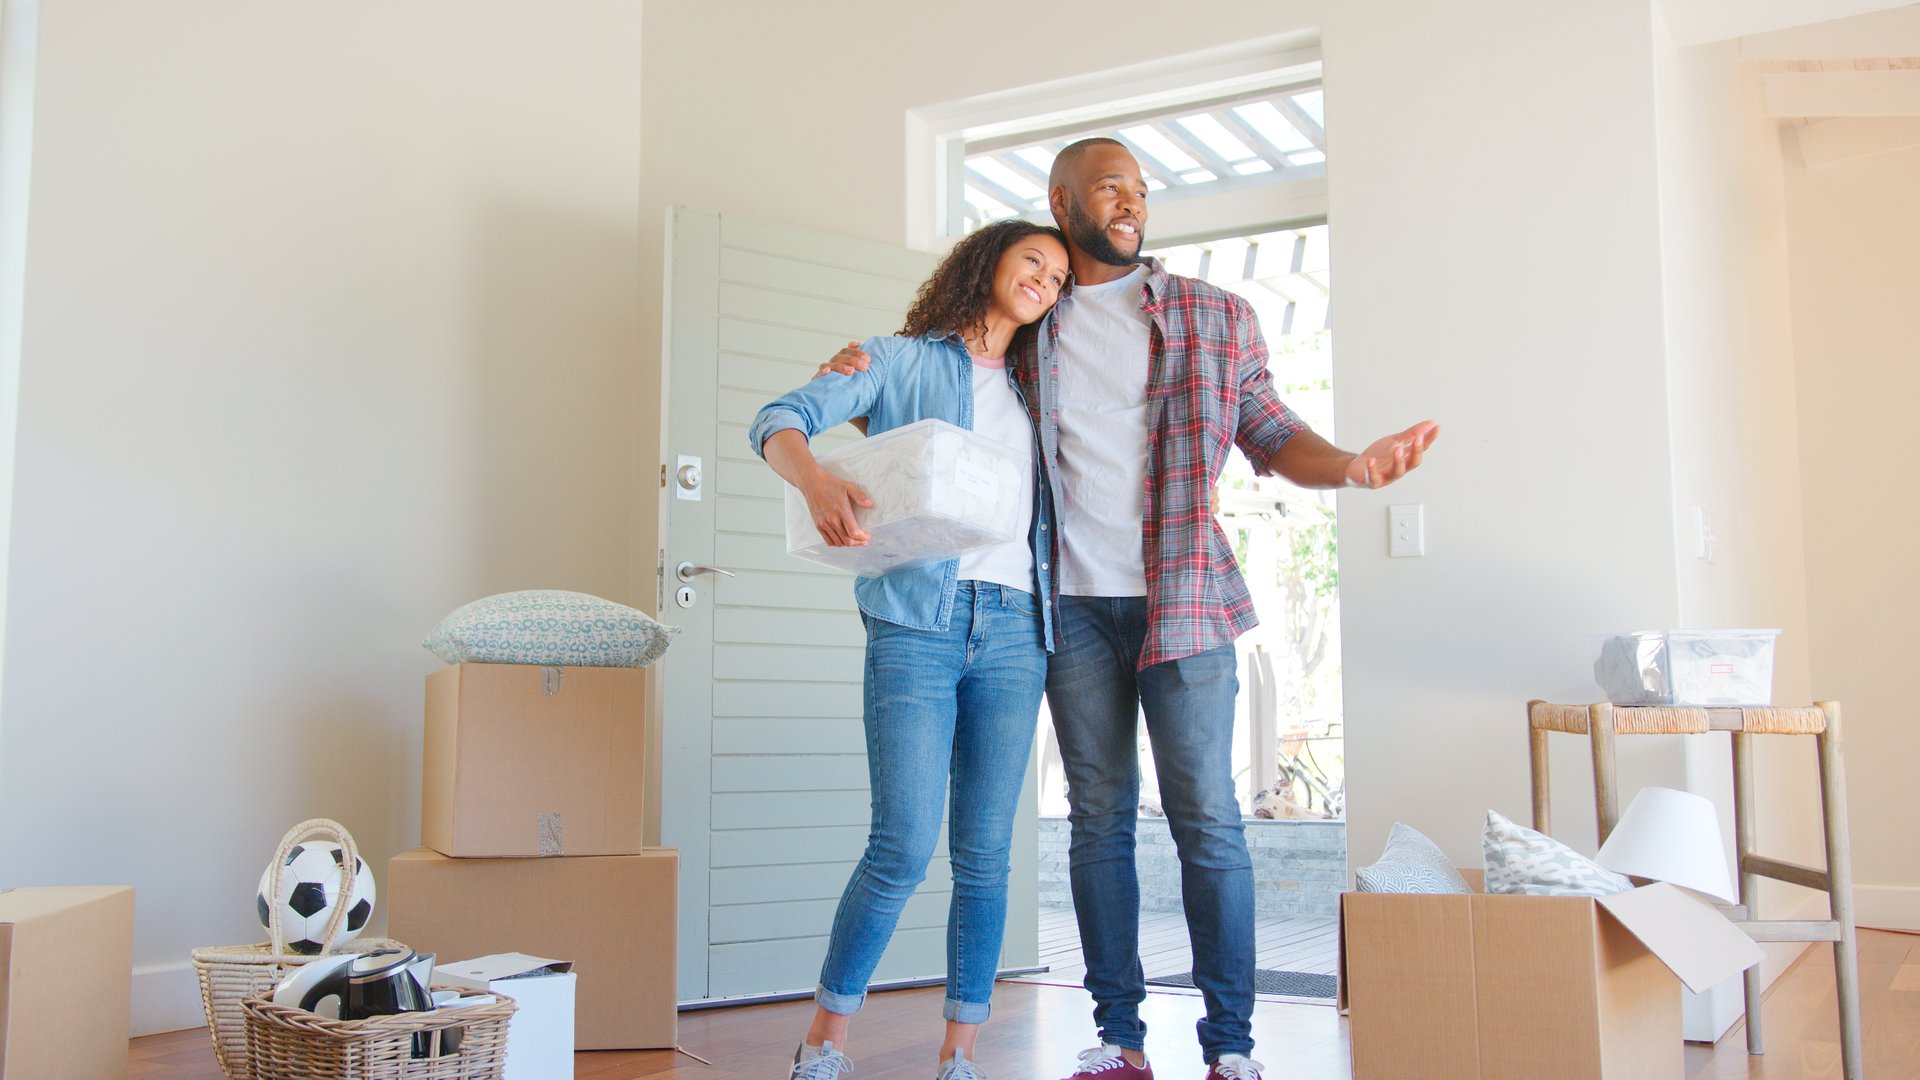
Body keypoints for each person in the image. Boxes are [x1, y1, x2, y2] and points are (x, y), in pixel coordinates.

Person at [815, 138, 1438, 1080]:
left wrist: (1350, 466)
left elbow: (1272, 434)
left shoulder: (1216, 314)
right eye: (1112, 187)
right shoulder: (1033, 323)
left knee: (1208, 822)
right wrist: (855, 383)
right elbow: (946, 404)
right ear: (1062, 202)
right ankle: (1119, 1038)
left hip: (1184, 601)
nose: (1132, 202)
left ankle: (1231, 1047)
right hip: (1066, 612)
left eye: (1142, 190)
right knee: (1098, 818)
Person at [749, 219, 1073, 1080]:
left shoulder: (1046, 389)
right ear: (989, 260)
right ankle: (823, 1043)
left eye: (1058, 274)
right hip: (914, 623)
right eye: (1031, 259)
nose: (1044, 278)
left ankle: (959, 1057)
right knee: (901, 843)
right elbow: (778, 419)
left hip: (1016, 630)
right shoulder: (894, 360)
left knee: (984, 855)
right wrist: (818, 476)